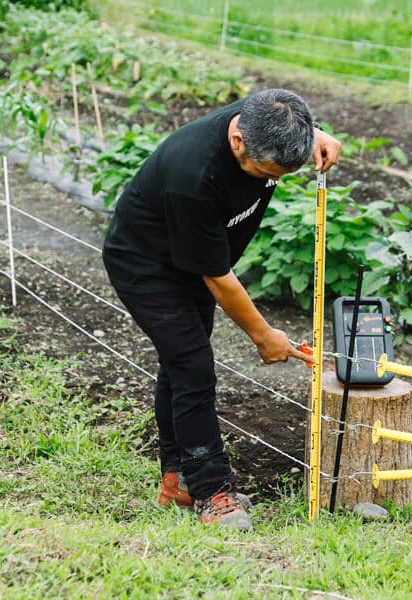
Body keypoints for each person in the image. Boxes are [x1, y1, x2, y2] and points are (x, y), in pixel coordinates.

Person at [102, 89, 342, 530]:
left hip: (191, 256)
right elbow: (217, 277)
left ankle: (177, 480)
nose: (265, 181)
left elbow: (290, 112)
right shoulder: (193, 175)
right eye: (261, 171)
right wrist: (265, 335)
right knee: (192, 364)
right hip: (146, 263)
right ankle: (212, 491)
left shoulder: (265, 116)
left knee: (182, 361)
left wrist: (318, 133)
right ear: (237, 140)